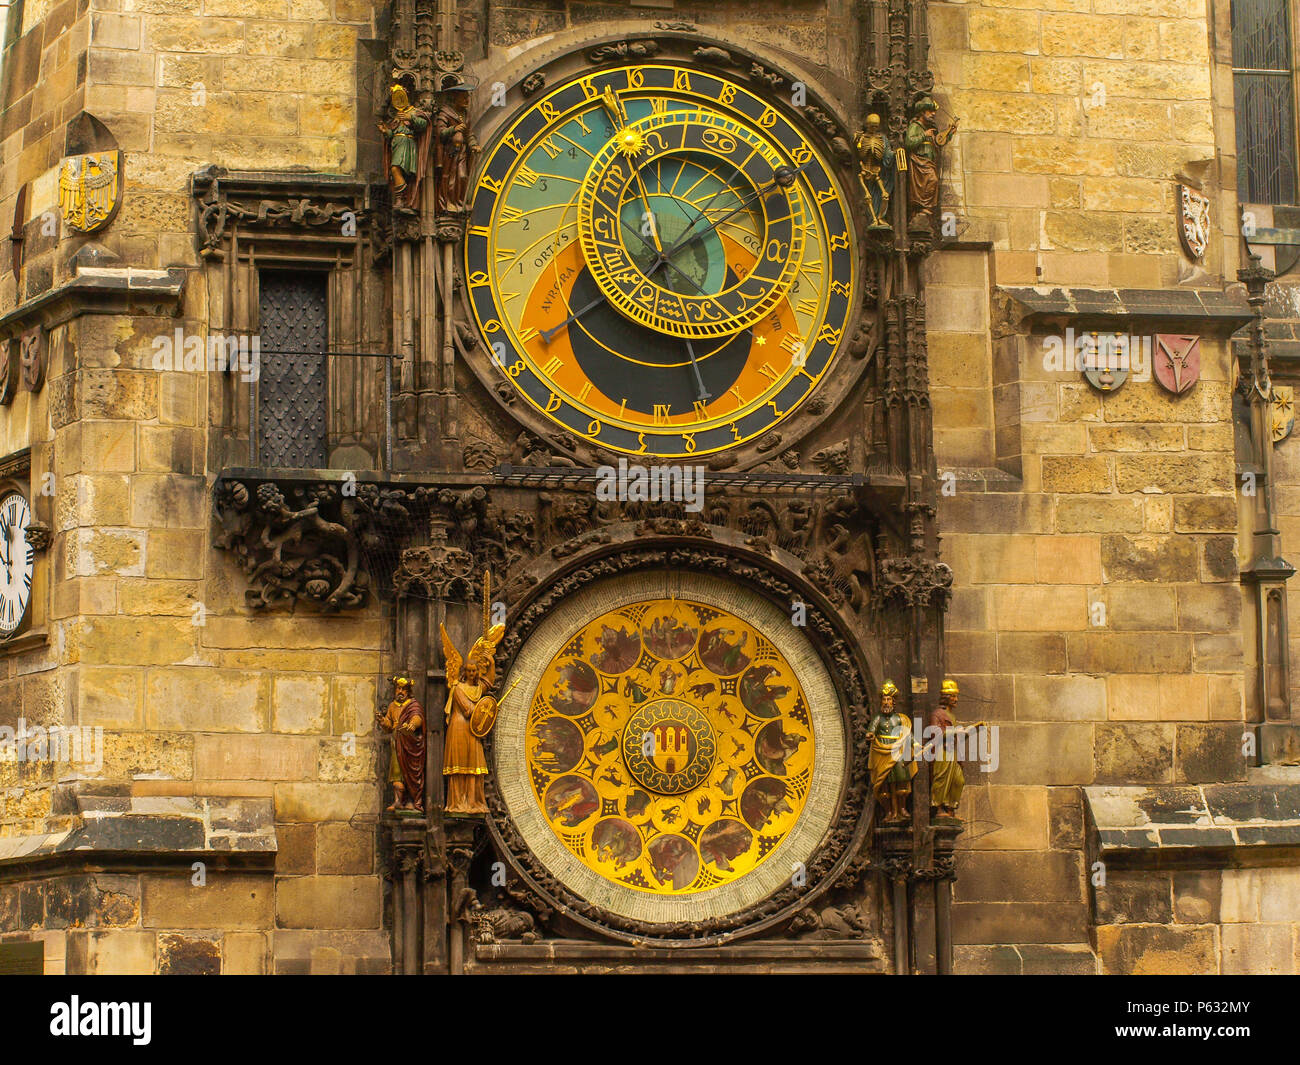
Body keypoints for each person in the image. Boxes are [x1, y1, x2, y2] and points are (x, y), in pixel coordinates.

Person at [867, 680, 919, 822]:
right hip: (882, 751)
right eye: (884, 699)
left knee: (901, 779)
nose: (886, 702)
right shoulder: (878, 718)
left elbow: (907, 733)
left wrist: (915, 743)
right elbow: (872, 729)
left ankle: (901, 808)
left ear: (893, 702)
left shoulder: (899, 719)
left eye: (889, 699)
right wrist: (870, 734)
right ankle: (889, 811)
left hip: (897, 751)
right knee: (883, 783)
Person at [376, 676, 425, 812]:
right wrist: (382, 721)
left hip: (410, 743)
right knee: (397, 771)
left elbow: (417, 717)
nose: (400, 691)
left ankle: (410, 800)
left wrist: (412, 725)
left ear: (408, 691)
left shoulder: (412, 705)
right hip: (396, 742)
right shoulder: (392, 706)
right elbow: (389, 725)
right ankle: (398, 801)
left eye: (404, 689)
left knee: (410, 771)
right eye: (398, 688)